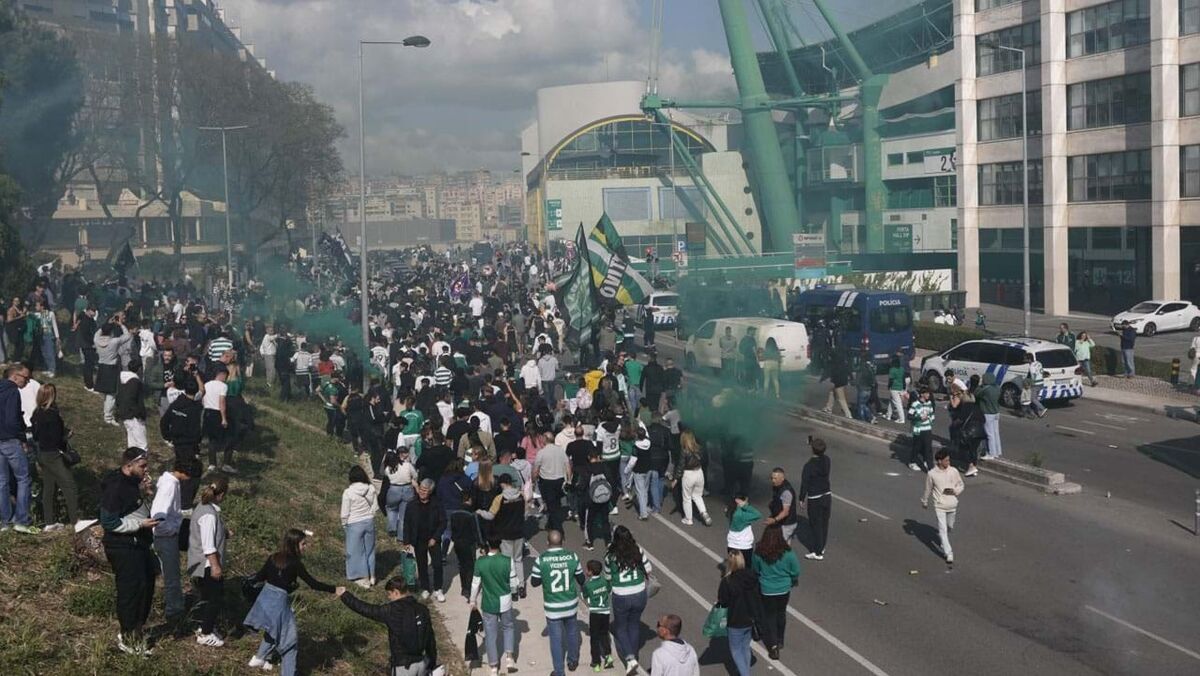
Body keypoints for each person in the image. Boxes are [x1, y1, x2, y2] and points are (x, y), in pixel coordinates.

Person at [244, 529, 341, 674]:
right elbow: (313, 584)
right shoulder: (295, 564)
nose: (305, 547)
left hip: (264, 599)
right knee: (290, 640)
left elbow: (260, 577)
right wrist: (334, 589)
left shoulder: (273, 557)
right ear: (294, 544)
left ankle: (259, 658)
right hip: (279, 602)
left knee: (273, 629)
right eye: (303, 544)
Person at [101, 447, 158, 654]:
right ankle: (128, 637)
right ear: (128, 466)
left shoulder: (133, 483)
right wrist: (140, 525)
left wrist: (146, 493)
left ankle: (137, 631)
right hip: (123, 547)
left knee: (146, 586)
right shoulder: (116, 487)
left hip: (139, 544)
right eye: (142, 466)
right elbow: (109, 521)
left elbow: (132, 507)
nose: (146, 470)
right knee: (131, 592)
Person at [339, 576, 438, 676]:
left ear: (396, 592)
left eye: (389, 594)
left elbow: (366, 609)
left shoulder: (392, 610)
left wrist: (344, 595)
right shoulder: (422, 610)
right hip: (422, 664)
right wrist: (432, 663)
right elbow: (430, 639)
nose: (389, 598)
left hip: (403, 667)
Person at [530, 530, 585, 676]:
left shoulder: (541, 559)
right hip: (570, 603)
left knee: (556, 639)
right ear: (563, 541)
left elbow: (534, 582)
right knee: (572, 632)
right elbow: (581, 579)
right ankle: (573, 661)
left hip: (553, 606)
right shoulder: (573, 556)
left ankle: (559, 671)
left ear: (547, 542)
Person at [30, 383, 81, 531]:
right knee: (69, 486)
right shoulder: (52, 414)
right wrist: (66, 436)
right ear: (52, 396)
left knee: (49, 488)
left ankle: (49, 522)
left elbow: (35, 436)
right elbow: (56, 438)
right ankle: (76, 521)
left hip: (42, 453)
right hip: (53, 454)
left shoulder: (36, 413)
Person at [188, 474, 230, 648]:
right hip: (207, 563)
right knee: (215, 599)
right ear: (221, 494)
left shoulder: (202, 507)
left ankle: (205, 626)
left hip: (202, 562)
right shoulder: (209, 515)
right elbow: (208, 545)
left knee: (208, 597)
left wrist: (224, 533)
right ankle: (205, 633)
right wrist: (215, 566)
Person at [149, 458, 192, 623]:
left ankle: (175, 605)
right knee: (172, 576)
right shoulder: (170, 486)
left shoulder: (170, 482)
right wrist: (173, 529)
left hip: (167, 534)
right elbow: (158, 517)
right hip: (166, 537)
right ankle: (174, 611)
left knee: (172, 575)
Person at [607, 525, 652, 676]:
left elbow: (607, 576)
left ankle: (630, 658)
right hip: (639, 593)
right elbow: (649, 569)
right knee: (634, 625)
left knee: (621, 627)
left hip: (621, 595)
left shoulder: (610, 555)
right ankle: (634, 656)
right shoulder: (637, 550)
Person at [471, 538, 518, 676]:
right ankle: (509, 658)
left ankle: (493, 666)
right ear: (500, 544)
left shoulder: (480, 562)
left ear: (487, 545)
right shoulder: (507, 560)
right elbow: (513, 582)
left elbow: (475, 584)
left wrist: (473, 601)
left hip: (489, 602)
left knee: (490, 634)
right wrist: (514, 592)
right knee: (508, 627)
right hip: (505, 601)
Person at [752, 527, 800, 660]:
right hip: (784, 589)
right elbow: (796, 570)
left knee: (770, 616)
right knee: (781, 613)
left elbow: (755, 569)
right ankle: (780, 639)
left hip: (767, 590)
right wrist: (792, 580)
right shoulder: (788, 553)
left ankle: (773, 645)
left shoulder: (759, 552)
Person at [476, 473, 526, 597]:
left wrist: (480, 512)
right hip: (519, 533)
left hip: (505, 534)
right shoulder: (521, 496)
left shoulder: (499, 498)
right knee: (518, 560)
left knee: (508, 562)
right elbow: (525, 514)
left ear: (502, 484)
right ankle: (521, 585)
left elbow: (490, 516)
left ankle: (513, 589)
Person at [717, 551, 761, 676]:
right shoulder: (752, 576)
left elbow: (723, 601)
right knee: (745, 647)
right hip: (750, 618)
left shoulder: (727, 581)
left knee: (736, 650)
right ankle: (745, 671)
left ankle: (745, 673)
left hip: (735, 620)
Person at [404, 478, 447, 601]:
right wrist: (406, 541)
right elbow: (407, 523)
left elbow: (443, 522)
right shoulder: (411, 505)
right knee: (422, 565)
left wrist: (435, 537)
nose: (422, 492)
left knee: (437, 565)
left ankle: (438, 589)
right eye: (421, 489)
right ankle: (425, 588)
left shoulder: (437, 504)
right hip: (418, 539)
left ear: (430, 492)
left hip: (433, 539)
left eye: (425, 490)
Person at [921, 448, 965, 568]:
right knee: (942, 529)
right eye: (946, 460)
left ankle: (943, 540)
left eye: (949, 460)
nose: (948, 462)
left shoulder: (953, 471)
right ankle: (949, 553)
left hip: (952, 504)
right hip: (939, 505)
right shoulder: (932, 474)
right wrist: (925, 501)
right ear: (939, 461)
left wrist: (955, 491)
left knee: (950, 526)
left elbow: (961, 485)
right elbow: (928, 489)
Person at [341, 465, 378, 589]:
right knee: (370, 550)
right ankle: (372, 576)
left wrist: (344, 524)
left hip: (354, 523)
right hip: (369, 521)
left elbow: (344, 513)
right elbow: (375, 506)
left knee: (356, 552)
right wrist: (370, 515)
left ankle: (362, 578)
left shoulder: (348, 492)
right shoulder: (371, 488)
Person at [534, 430, 571, 533]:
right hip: (559, 481)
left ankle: (557, 529)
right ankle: (551, 524)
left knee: (551, 505)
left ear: (545, 439)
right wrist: (568, 480)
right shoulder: (560, 451)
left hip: (547, 482)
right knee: (556, 503)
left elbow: (535, 470)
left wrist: (533, 480)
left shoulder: (541, 452)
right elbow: (567, 466)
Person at [203, 365, 235, 474]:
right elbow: (222, 402)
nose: (226, 378)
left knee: (212, 440)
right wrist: (224, 418)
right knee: (230, 438)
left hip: (207, 412)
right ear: (221, 374)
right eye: (226, 376)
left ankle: (212, 464)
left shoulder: (206, 384)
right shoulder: (223, 386)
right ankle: (226, 463)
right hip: (217, 413)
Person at [583, 559, 615, 672]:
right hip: (605, 612)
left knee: (594, 638)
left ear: (590, 572)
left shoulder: (588, 584)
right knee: (604, 634)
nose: (586, 571)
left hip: (595, 613)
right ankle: (608, 656)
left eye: (587, 569)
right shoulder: (605, 581)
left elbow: (585, 597)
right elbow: (609, 590)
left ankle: (596, 662)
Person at [382, 448, 417, 541]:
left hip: (394, 489)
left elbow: (386, 476)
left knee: (391, 509)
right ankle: (401, 536)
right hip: (407, 489)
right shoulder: (407, 465)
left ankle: (392, 528)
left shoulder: (388, 469)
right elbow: (415, 475)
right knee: (403, 514)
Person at [677, 430, 710, 526]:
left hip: (688, 474)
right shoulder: (699, 449)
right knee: (697, 496)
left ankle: (688, 519)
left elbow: (680, 466)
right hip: (699, 472)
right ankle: (704, 512)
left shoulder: (684, 451)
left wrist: (676, 478)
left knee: (687, 498)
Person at [115, 357, 148, 450]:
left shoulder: (121, 379)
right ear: (139, 369)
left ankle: (132, 458)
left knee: (132, 442)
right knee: (142, 444)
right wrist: (139, 413)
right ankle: (142, 458)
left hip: (124, 413)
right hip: (134, 416)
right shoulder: (135, 382)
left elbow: (119, 397)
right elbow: (133, 399)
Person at [764, 467, 798, 543]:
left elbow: (785, 512)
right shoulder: (778, 486)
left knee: (778, 545)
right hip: (783, 522)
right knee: (785, 545)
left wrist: (774, 520)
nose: (773, 480)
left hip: (786, 524)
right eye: (772, 478)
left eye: (775, 478)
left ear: (782, 478)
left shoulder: (786, 492)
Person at [726, 494, 761, 562]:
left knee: (734, 565)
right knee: (746, 566)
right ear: (738, 501)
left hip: (732, 544)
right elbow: (758, 514)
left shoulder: (730, 511)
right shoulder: (742, 515)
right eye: (746, 501)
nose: (747, 503)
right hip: (744, 546)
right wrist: (745, 506)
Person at [907, 388, 934, 472]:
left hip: (927, 428)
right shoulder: (915, 404)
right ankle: (912, 462)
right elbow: (909, 416)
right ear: (922, 394)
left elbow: (932, 414)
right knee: (917, 447)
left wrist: (930, 421)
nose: (928, 395)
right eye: (927, 393)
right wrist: (919, 418)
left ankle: (929, 465)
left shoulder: (929, 403)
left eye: (929, 393)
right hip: (918, 429)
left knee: (928, 447)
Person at [976, 372, 1002, 459]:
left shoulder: (985, 389)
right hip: (996, 412)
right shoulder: (997, 388)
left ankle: (991, 453)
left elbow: (976, 393)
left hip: (987, 413)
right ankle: (997, 452)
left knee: (989, 434)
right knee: (996, 433)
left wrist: (980, 385)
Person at [823, 352, 852, 418]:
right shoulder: (843, 363)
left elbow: (829, 373)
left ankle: (848, 414)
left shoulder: (835, 364)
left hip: (838, 383)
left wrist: (823, 379)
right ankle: (828, 408)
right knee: (832, 392)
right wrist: (851, 378)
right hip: (842, 381)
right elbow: (849, 371)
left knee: (841, 399)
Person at [1022, 353, 1046, 418]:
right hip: (1041, 382)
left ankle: (1042, 408)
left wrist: (1030, 384)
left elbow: (1034, 376)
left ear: (1029, 359)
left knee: (1032, 399)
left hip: (1036, 384)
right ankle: (1039, 413)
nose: (1024, 360)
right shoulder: (1038, 363)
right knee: (1036, 399)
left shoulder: (1031, 367)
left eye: (1025, 359)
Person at [886, 354, 908, 423]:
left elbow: (891, 380)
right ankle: (888, 415)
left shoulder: (892, 370)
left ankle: (902, 419)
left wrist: (889, 386)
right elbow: (903, 379)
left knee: (897, 403)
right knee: (891, 401)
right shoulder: (902, 369)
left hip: (894, 388)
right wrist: (904, 387)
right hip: (900, 387)